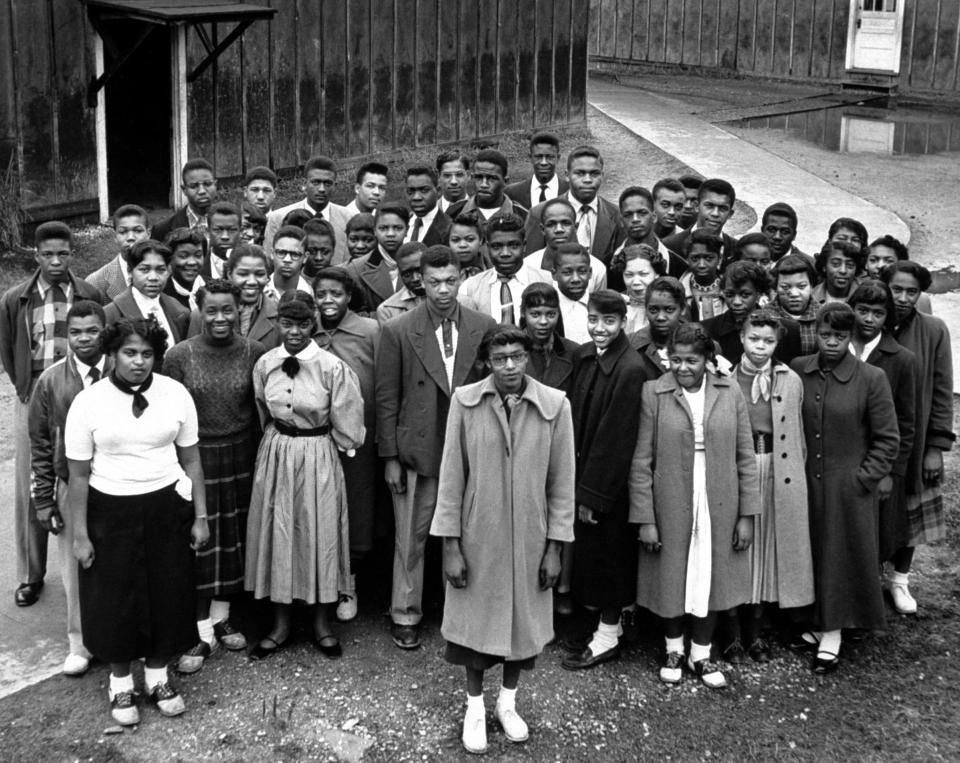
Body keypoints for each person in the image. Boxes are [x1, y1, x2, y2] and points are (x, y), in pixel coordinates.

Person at [431, 325, 575, 754]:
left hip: (531, 537)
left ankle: (507, 703)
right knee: (474, 626)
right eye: (499, 358)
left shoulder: (554, 406)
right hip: (480, 536)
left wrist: (555, 546)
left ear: (528, 357)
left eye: (516, 356)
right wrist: (451, 544)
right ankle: (475, 706)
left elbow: (562, 484)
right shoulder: (466, 400)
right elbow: (452, 476)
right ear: (487, 361)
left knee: (522, 627)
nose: (509, 366)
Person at [65, 316, 209, 725]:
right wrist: (80, 535)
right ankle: (121, 683)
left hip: (167, 508)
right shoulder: (88, 402)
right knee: (115, 599)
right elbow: (77, 475)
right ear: (112, 354)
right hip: (109, 511)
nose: (139, 362)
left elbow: (192, 460)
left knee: (168, 592)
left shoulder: (175, 393)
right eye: (129, 353)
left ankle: (159, 676)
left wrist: (200, 516)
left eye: (147, 354)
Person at [375, 245, 497, 649]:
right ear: (419, 282)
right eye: (433, 282)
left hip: (468, 450)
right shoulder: (397, 329)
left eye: (450, 281)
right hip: (418, 450)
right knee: (411, 536)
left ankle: (459, 611)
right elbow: (387, 396)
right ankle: (406, 612)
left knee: (467, 534)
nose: (442, 290)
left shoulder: (483, 324)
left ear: (461, 278)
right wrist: (390, 456)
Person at [629, 323, 759, 689]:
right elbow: (641, 461)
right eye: (676, 360)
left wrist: (747, 514)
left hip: (719, 496)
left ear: (708, 360)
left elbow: (745, 456)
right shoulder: (654, 392)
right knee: (673, 570)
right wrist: (646, 519)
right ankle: (673, 648)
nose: (683, 368)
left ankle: (701, 652)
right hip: (670, 496)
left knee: (711, 571)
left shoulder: (728, 390)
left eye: (693, 361)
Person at [245, 291, 365, 659]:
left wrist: (333, 446)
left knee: (320, 532)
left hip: (318, 455)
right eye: (286, 323)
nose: (294, 331)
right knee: (278, 532)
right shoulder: (266, 363)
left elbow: (349, 423)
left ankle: (321, 624)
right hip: (277, 453)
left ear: (313, 324)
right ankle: (280, 625)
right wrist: (277, 443)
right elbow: (262, 408)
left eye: (301, 324)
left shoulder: (332, 367)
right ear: (277, 323)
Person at [164, 280, 267, 673]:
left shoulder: (254, 352)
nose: (220, 318)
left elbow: (259, 410)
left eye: (229, 310)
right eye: (212, 311)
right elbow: (169, 414)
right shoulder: (179, 355)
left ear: (239, 309)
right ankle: (199, 630)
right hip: (195, 458)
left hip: (241, 454)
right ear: (199, 311)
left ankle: (222, 618)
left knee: (233, 540)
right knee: (199, 542)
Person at [790, 303, 899, 673]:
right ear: (815, 333)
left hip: (847, 485)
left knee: (840, 554)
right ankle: (816, 620)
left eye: (840, 336)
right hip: (803, 480)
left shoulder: (871, 378)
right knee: (812, 551)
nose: (832, 343)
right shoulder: (797, 370)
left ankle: (833, 632)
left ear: (851, 336)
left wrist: (863, 479)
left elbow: (887, 439)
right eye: (825, 335)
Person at [0, 222, 105, 607]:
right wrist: (25, 387)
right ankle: (31, 574)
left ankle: (88, 559)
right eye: (48, 254)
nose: (56, 261)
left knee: (83, 474)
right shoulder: (16, 298)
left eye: (63, 254)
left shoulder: (87, 292)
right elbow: (8, 349)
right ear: (36, 254)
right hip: (35, 397)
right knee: (34, 482)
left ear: (72, 254)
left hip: (82, 392)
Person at [561, 290, 650, 671]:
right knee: (591, 557)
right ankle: (596, 626)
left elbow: (615, 439)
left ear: (624, 322)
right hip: (583, 475)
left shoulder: (630, 368)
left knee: (611, 558)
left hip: (609, 486)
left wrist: (592, 496)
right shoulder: (587, 357)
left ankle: (608, 634)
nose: (600, 329)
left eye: (610, 322)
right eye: (594, 320)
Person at [721, 309, 814, 664]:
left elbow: (799, 437)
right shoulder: (724, 377)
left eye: (769, 341)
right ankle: (729, 632)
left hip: (776, 468)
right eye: (754, 339)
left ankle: (755, 632)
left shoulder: (789, 379)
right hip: (738, 469)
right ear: (742, 338)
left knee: (765, 550)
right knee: (735, 549)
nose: (760, 347)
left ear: (778, 343)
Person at [28, 300, 110, 675]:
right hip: (69, 482)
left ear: (104, 331)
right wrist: (44, 501)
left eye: (92, 330)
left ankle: (119, 635)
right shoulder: (50, 381)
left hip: (118, 482)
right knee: (76, 563)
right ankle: (79, 642)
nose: (83, 339)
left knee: (118, 562)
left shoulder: (122, 369)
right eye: (75, 332)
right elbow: (41, 446)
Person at [882, 262, 954, 613]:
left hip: (917, 436)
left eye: (912, 291)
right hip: (878, 434)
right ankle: (870, 575)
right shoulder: (870, 322)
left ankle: (900, 580)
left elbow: (942, 389)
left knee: (913, 506)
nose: (904, 298)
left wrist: (935, 447)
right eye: (897, 289)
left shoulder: (934, 330)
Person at [312, 267, 381, 621]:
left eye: (335, 294)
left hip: (361, 440)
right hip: (319, 440)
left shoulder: (369, 331)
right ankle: (322, 583)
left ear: (349, 296)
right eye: (321, 294)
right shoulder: (308, 332)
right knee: (322, 507)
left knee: (356, 507)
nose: (328, 301)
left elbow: (383, 384)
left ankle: (348, 583)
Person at [848, 282, 918, 571]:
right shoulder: (836, 347)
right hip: (839, 456)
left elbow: (905, 421)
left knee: (873, 534)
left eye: (878, 313)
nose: (868, 319)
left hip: (877, 460)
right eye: (862, 310)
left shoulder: (901, 359)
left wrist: (891, 472)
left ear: (888, 317)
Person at [523, 145, 625, 267]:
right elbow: (531, 265)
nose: (587, 180)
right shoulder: (540, 212)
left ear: (602, 175)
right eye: (580, 173)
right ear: (567, 175)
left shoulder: (616, 214)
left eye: (594, 174)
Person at [700, 261, 803, 366]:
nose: (736, 302)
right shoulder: (706, 329)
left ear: (758, 294)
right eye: (730, 294)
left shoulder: (788, 330)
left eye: (745, 295)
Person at [458, 213, 550, 324]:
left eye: (513, 245)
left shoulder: (547, 281)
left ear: (524, 245)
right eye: (497, 246)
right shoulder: (470, 287)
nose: (505, 253)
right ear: (488, 247)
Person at [103, 240, 191, 353]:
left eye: (160, 270)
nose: (153, 277)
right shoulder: (111, 313)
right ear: (130, 271)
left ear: (169, 271)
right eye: (144, 270)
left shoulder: (179, 311)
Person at [264, 156, 351, 262]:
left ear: (335, 186)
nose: (322, 189)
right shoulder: (278, 218)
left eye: (327, 183)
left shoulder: (348, 218)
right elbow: (270, 260)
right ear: (305, 183)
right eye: (316, 182)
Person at [523, 198, 606, 294]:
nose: (559, 229)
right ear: (542, 229)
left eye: (566, 223)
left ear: (575, 227)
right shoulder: (527, 266)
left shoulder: (597, 268)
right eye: (551, 224)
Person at [346, 201, 409, 313]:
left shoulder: (418, 263)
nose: (390, 234)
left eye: (398, 228)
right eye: (383, 228)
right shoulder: (357, 268)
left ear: (407, 230)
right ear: (375, 230)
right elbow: (355, 314)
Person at [662, 178, 738, 268]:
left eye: (722, 208)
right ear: (697, 206)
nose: (715, 213)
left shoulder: (737, 249)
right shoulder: (670, 246)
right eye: (709, 206)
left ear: (730, 214)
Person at [519, 282, 579, 395]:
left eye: (551, 315)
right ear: (523, 313)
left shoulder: (574, 353)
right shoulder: (509, 352)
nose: (543, 322)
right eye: (535, 315)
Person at [615, 186, 687, 279]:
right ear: (621, 220)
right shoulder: (607, 265)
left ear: (654, 217)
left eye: (642, 213)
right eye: (628, 215)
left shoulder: (679, 267)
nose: (635, 219)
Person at [86, 204, 153, 300]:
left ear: (148, 234)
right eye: (123, 232)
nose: (130, 237)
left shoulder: (165, 275)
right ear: (115, 236)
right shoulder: (95, 282)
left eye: (138, 231)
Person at [628, 276, 686, 379]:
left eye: (669, 310)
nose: (660, 317)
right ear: (646, 309)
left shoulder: (702, 345)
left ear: (682, 309)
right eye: (653, 310)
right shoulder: (630, 345)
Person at [448, 149, 527, 222]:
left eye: (492, 178)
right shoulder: (453, 213)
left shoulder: (523, 216)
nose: (484, 184)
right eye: (479, 177)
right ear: (472, 178)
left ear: (505, 181)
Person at [153, 158, 218, 243]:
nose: (202, 191)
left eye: (207, 184)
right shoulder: (163, 230)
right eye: (194, 186)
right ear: (184, 190)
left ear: (216, 185)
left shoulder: (231, 221)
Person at [864, 235, 932, 314]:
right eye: (873, 260)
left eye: (889, 261)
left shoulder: (921, 300)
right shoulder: (858, 292)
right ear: (866, 264)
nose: (880, 265)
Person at [770, 253, 820, 355]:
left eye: (801, 286)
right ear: (776, 287)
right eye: (785, 287)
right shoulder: (765, 316)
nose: (794, 294)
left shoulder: (823, 316)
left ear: (812, 286)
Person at [504, 131, 569, 208]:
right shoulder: (512, 193)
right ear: (530, 158)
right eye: (538, 157)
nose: (543, 162)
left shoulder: (570, 192)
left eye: (549, 157)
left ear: (557, 158)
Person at [617, 243, 665, 334]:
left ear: (657, 274)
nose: (636, 282)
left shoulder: (670, 305)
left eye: (643, 274)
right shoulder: (615, 304)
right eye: (629, 275)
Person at [551, 243, 594, 345]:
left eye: (582, 271)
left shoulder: (601, 307)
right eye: (567, 272)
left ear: (590, 273)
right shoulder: (549, 311)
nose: (575, 279)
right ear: (554, 274)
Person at [679, 230, 726, 321]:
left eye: (708, 258)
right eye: (695, 258)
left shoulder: (730, 290)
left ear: (719, 259)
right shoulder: (678, 292)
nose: (701, 265)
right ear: (687, 259)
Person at [376, 242, 427, 324]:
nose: (415, 278)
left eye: (420, 270)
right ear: (399, 274)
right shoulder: (388, 310)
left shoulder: (450, 296)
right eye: (407, 274)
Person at [404, 165, 452, 245]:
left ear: (438, 192)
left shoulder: (449, 229)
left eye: (424, 190)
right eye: (411, 191)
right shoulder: (402, 224)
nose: (416, 197)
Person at [162, 227, 206, 310]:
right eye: (183, 256)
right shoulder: (163, 294)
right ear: (170, 258)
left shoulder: (212, 289)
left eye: (198, 255)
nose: (192, 262)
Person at [264, 225, 312, 300]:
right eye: (281, 253)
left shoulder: (311, 294)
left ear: (305, 257)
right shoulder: (260, 290)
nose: (287, 260)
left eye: (295, 254)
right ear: (272, 253)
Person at [812, 240, 862, 306]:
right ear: (824, 266)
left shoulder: (866, 294)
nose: (843, 271)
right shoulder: (812, 296)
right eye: (836, 264)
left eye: (850, 265)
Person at [204, 201, 243, 279]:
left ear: (241, 232)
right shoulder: (197, 269)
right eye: (218, 230)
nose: (225, 236)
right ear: (207, 232)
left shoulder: (253, 266)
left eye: (232, 230)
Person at [448, 212, 489, 278]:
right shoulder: (439, 270)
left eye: (470, 239)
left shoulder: (493, 268)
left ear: (481, 240)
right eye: (455, 240)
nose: (462, 245)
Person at [435, 149, 470, 213]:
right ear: (438, 177)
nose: (454, 182)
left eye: (459, 175)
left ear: (468, 175)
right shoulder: (428, 212)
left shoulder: (482, 210)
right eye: (447, 175)